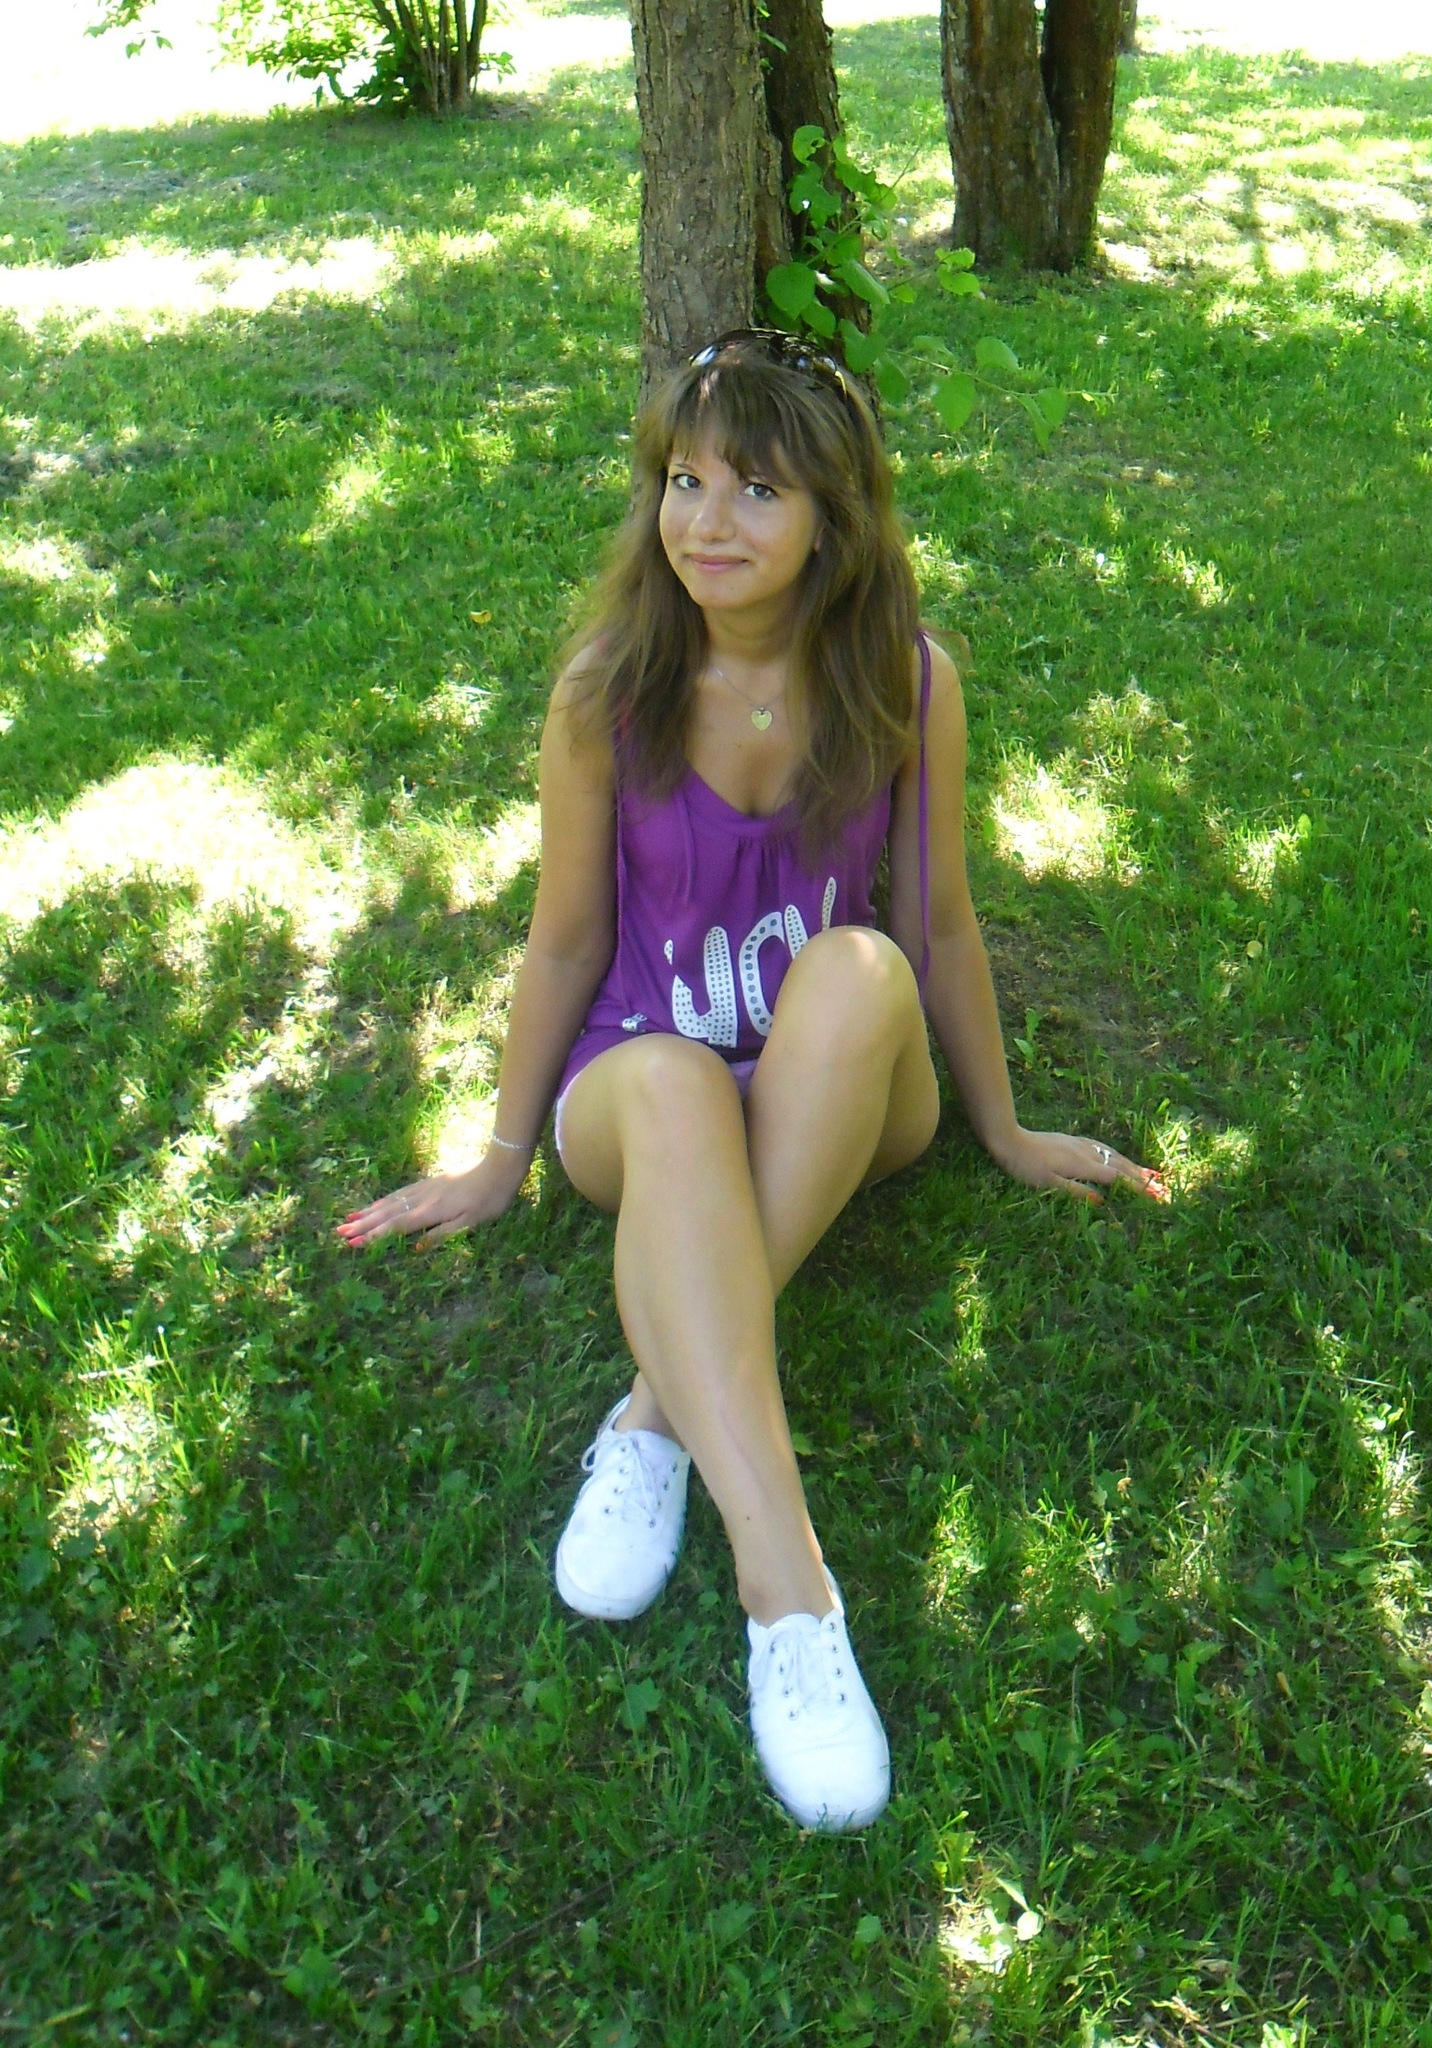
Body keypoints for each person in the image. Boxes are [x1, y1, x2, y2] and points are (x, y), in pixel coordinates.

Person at [338, 329, 1165, 1832]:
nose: (705, 521)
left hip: (834, 1089)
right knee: (668, 1077)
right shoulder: (607, 690)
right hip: (642, 1101)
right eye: (684, 479)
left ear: (836, 519)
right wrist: (500, 1155)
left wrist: (1004, 1127)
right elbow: (566, 936)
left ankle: (657, 1409)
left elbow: (938, 926)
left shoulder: (907, 680)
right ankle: (789, 1594)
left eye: (757, 489)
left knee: (860, 970)